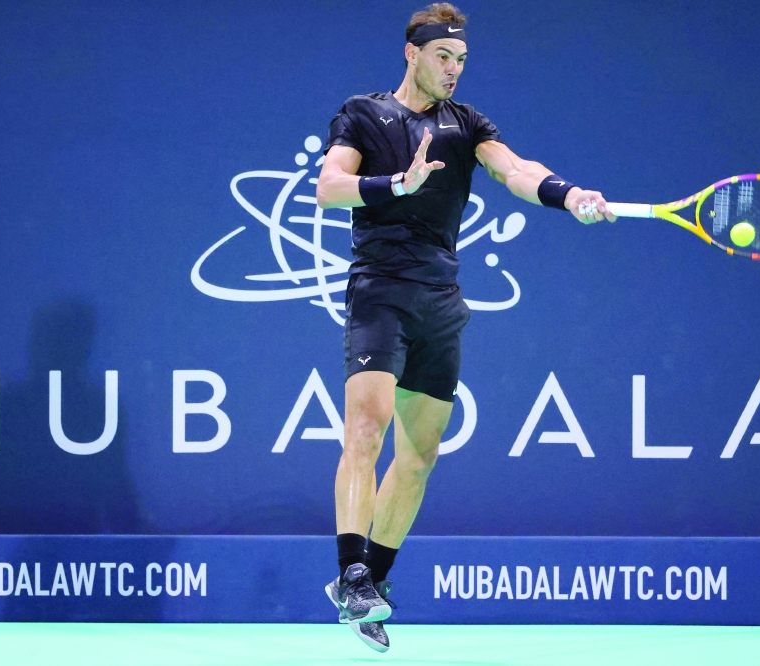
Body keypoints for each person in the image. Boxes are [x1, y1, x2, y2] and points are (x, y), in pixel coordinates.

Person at [316, 3, 614, 652]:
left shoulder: (467, 123)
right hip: (380, 293)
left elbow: (515, 170)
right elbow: (329, 187)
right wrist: (398, 181)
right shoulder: (364, 114)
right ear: (412, 53)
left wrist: (569, 196)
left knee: (419, 458)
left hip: (440, 303)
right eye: (443, 57)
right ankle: (352, 571)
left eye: (461, 61)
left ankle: (374, 587)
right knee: (366, 428)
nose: (453, 70)